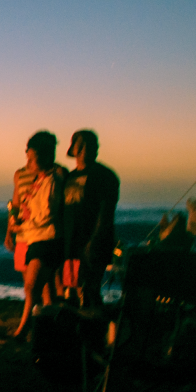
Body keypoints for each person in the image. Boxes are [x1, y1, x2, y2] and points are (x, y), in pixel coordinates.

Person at [5, 131, 68, 337]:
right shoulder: (20, 174)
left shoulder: (57, 174)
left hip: (44, 236)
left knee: (41, 285)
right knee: (31, 286)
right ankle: (39, 326)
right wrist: (10, 230)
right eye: (28, 155)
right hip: (26, 236)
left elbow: (54, 211)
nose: (29, 160)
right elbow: (16, 204)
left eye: (33, 156)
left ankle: (32, 328)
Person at [62, 130, 119, 309]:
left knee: (90, 291)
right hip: (71, 243)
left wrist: (94, 241)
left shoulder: (105, 176)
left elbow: (106, 212)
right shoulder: (69, 177)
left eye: (94, 144)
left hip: (94, 241)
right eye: (86, 144)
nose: (92, 148)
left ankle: (92, 332)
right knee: (72, 290)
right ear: (76, 149)